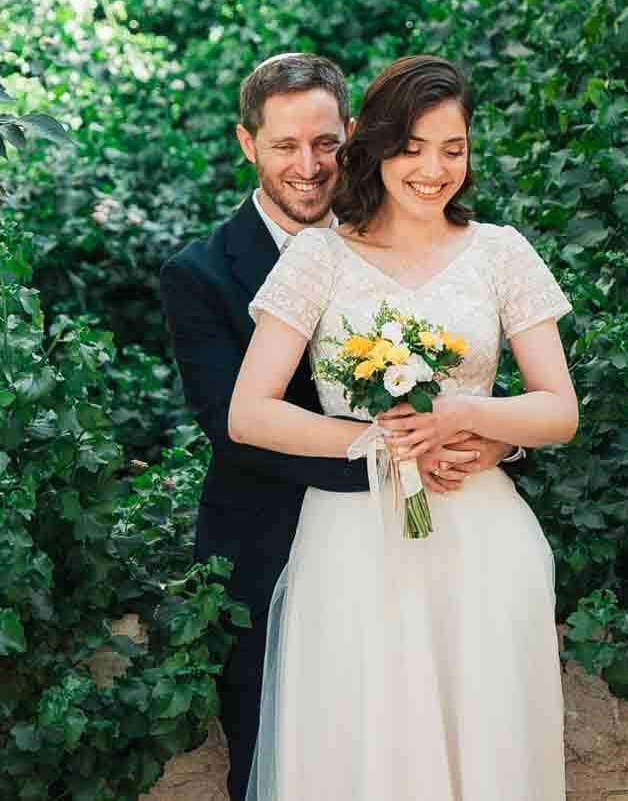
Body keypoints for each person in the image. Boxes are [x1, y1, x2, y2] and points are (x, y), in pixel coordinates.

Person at [158, 53, 517, 801]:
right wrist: (401, 454)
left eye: (325, 142)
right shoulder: (199, 274)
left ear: (353, 135)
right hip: (266, 548)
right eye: (285, 145)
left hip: (424, 548)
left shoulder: (404, 236)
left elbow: (462, 373)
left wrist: (490, 438)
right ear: (247, 143)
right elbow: (234, 426)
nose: (309, 165)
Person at [226, 53, 578, 799]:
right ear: (378, 146)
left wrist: (466, 414)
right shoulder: (319, 258)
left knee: (485, 746)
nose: (434, 170)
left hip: (483, 541)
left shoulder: (502, 253)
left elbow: (559, 409)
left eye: (453, 149)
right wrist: (383, 442)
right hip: (355, 545)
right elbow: (249, 412)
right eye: (413, 148)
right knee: (366, 750)